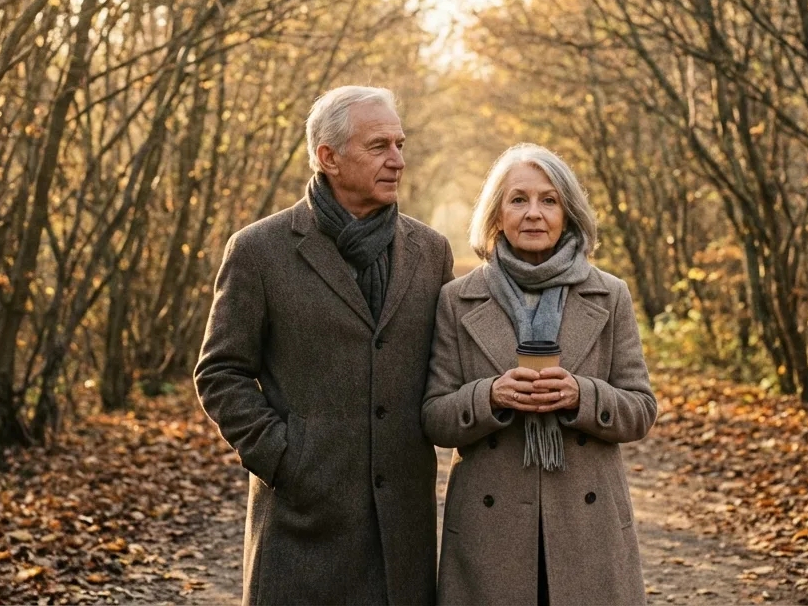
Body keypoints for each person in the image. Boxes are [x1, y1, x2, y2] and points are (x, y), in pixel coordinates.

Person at [194, 85, 453, 605]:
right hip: (300, 523)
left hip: (402, 527)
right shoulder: (259, 251)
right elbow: (220, 372)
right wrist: (285, 458)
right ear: (327, 157)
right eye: (379, 146)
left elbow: (448, 367)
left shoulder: (430, 251)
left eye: (400, 144)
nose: (398, 160)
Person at [422, 143, 656, 605]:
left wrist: (581, 395)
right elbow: (434, 416)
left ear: (568, 214)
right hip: (490, 531)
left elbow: (641, 410)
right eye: (518, 200)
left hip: (588, 529)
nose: (534, 213)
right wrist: (489, 396)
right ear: (496, 216)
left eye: (549, 200)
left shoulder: (610, 295)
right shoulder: (457, 298)